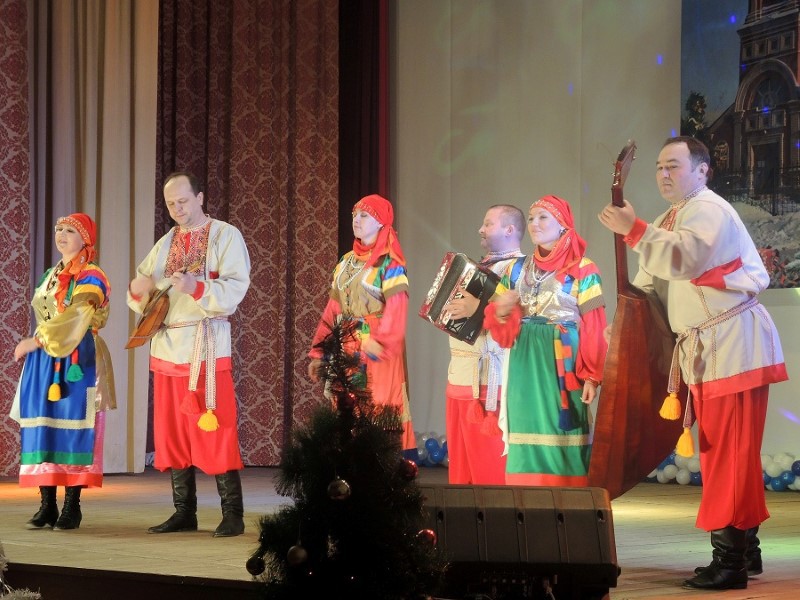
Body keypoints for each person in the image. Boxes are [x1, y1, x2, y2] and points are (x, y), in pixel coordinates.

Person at [598, 136, 788, 591]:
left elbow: (685, 258)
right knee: (727, 452)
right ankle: (745, 552)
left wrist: (634, 230)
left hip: (732, 345)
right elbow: (649, 285)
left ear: (703, 170)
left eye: (674, 166)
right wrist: (623, 323)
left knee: (729, 454)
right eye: (659, 167)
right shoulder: (671, 217)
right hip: (709, 350)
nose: (664, 174)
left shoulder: (709, 209)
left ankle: (730, 562)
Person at [127, 171, 251, 537]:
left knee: (216, 425)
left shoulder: (225, 235)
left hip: (206, 344)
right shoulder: (166, 242)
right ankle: (184, 511)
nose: (177, 208)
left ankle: (232, 513)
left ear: (200, 197)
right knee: (173, 431)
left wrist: (197, 287)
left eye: (183, 201)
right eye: (170, 204)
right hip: (168, 345)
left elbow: (236, 286)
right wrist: (138, 290)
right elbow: (145, 290)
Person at [484, 195, 608, 486]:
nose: (534, 224)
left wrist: (592, 375)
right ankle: (525, 494)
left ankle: (568, 494)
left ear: (563, 225)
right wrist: (501, 311)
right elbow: (497, 322)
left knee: (563, 428)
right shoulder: (516, 269)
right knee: (525, 425)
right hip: (523, 362)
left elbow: (594, 325)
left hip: (562, 360)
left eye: (543, 217)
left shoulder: (583, 269)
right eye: (531, 218)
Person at [11, 213, 115, 530]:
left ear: (86, 238)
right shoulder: (51, 275)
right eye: (58, 229)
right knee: (45, 427)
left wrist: (37, 340)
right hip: (45, 360)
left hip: (78, 358)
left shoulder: (92, 275)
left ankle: (72, 506)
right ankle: (47, 505)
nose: (61, 234)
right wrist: (41, 344)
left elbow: (78, 314)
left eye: (70, 230)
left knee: (74, 429)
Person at [307, 194, 416, 455]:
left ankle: (382, 463)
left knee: (379, 402)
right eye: (354, 215)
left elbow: (397, 306)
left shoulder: (389, 263)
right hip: (347, 344)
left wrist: (382, 342)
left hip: (376, 346)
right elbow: (333, 309)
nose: (356, 220)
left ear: (380, 222)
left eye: (364, 215)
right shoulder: (346, 262)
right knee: (347, 403)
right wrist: (320, 352)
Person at [442, 205, 526, 484]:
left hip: (490, 383)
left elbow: (518, 321)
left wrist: (476, 309)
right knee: (461, 476)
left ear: (509, 230)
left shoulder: (522, 269)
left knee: (489, 477)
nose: (481, 229)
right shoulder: (478, 269)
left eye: (488, 224)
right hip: (459, 378)